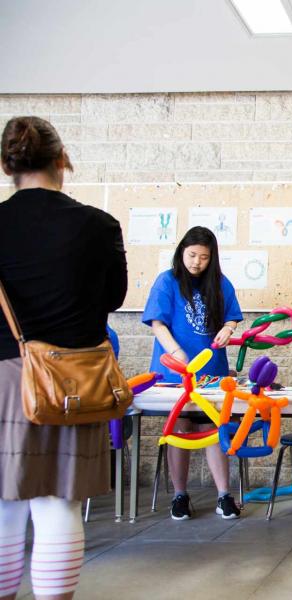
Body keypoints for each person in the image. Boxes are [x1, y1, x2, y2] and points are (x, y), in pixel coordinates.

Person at [0, 116, 127, 599]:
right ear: (62, 159)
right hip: (75, 381)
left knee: (4, 506)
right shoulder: (98, 225)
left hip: (3, 378)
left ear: (7, 165)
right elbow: (113, 298)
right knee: (57, 505)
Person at [142, 226, 243, 520]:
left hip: (211, 373)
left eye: (203, 257)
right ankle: (180, 496)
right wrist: (175, 352)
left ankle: (224, 495)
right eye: (191, 255)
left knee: (214, 430)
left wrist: (227, 329)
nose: (196, 262)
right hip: (175, 372)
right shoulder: (167, 281)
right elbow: (157, 323)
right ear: (181, 253)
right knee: (181, 429)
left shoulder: (221, 284)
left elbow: (232, 319)